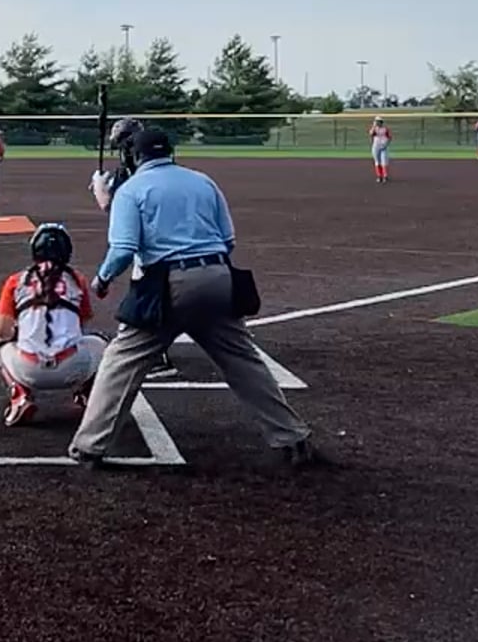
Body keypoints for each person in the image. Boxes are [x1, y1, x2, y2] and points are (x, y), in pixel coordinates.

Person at [71, 128, 317, 468]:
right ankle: (293, 437)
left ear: (134, 157)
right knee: (243, 361)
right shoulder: (203, 182)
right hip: (219, 278)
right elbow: (227, 240)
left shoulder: (131, 190)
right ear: (170, 152)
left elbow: (124, 249)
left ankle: (91, 446)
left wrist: (102, 279)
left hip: (168, 284)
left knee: (122, 361)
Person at [0, 223, 107, 427]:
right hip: (72, 368)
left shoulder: (17, 280)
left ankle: (20, 396)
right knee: (101, 343)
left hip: (28, 369)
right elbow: (82, 322)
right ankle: (87, 393)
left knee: (0, 346)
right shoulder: (76, 280)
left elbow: (2, 331)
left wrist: (21, 331)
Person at [89, 117, 177, 380]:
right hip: (167, 240)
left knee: (147, 298)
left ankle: (157, 357)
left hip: (152, 246)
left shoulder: (134, 171)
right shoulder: (157, 167)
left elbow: (116, 209)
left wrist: (102, 193)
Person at [369, 116, 393, 183]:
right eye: (376, 121)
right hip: (376, 146)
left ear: (381, 122)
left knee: (384, 161)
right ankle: (379, 176)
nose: (377, 123)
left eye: (378, 121)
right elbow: (371, 134)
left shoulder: (385, 129)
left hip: (384, 147)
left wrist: (386, 144)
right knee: (377, 161)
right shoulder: (374, 129)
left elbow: (390, 137)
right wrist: (373, 126)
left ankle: (385, 176)